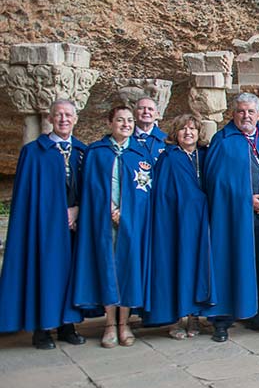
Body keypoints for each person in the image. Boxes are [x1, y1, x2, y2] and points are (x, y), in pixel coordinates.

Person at [0, 99, 87, 349]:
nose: (63, 119)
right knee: (45, 274)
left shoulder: (82, 151)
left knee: (71, 276)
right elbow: (27, 196)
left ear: (75, 119)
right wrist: (55, 215)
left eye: (68, 115)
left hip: (74, 227)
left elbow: (91, 189)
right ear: (50, 119)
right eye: (58, 115)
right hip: (44, 228)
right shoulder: (34, 152)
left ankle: (68, 326)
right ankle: (42, 329)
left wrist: (77, 211)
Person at [204, 92, 259, 342]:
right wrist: (246, 200)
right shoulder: (223, 141)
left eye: (251, 111)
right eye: (241, 111)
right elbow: (215, 182)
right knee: (230, 262)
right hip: (234, 218)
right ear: (233, 114)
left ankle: (257, 313)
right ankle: (222, 319)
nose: (246, 116)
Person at [72, 103, 153, 348]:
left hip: (131, 222)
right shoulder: (96, 152)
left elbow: (145, 192)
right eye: (120, 120)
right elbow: (91, 187)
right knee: (107, 267)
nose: (126, 124)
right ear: (110, 123)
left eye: (129, 120)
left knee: (128, 268)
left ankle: (124, 323)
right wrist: (109, 209)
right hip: (102, 220)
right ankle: (109, 324)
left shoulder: (140, 153)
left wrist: (127, 214)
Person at [145, 113, 215, 339]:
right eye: (183, 128)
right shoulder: (169, 157)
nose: (188, 132)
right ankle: (177, 319)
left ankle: (195, 316)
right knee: (178, 265)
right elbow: (163, 193)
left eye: (192, 128)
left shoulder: (205, 154)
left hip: (203, 221)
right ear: (175, 133)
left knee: (200, 267)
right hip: (177, 221)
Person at [131, 96, 168, 161]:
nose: (146, 112)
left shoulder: (167, 141)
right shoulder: (124, 138)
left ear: (157, 114)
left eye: (150, 109)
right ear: (134, 113)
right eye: (141, 108)